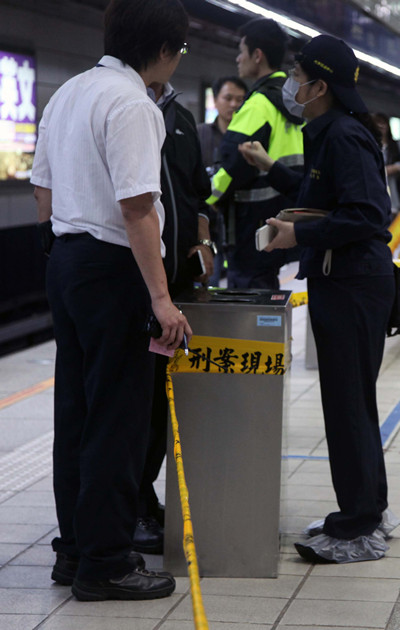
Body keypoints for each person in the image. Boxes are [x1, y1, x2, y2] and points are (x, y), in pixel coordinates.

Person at [30, 0, 191, 601]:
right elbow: (137, 208)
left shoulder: (69, 93)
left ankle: (74, 551)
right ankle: (106, 562)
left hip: (68, 262)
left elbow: (42, 189)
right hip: (112, 269)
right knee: (117, 419)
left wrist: (64, 254)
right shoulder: (133, 104)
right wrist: (161, 297)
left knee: (75, 412)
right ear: (164, 49)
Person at [238, 34, 400, 563]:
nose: (292, 85)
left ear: (321, 86)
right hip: (346, 282)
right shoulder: (329, 132)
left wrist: (299, 234)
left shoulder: (344, 136)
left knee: (347, 406)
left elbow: (368, 214)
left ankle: (358, 526)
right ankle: (369, 509)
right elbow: (325, 198)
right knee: (353, 403)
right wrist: (291, 212)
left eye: (298, 77)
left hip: (353, 286)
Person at [134, 78, 214, 555]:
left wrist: (202, 242)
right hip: (137, 285)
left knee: (160, 404)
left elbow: (199, 195)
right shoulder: (123, 106)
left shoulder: (180, 117)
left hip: (176, 285)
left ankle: (142, 496)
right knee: (135, 404)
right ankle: (129, 506)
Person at [206, 17, 304, 289]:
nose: (238, 58)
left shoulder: (258, 105)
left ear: (257, 55)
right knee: (266, 296)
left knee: (248, 301)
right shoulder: (295, 103)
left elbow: (233, 164)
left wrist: (207, 197)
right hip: (282, 220)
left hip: (250, 227)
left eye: (242, 51)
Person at [198, 76, 246, 287]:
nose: (234, 104)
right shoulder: (201, 134)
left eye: (240, 99)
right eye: (228, 98)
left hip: (240, 226)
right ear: (216, 100)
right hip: (207, 226)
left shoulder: (248, 137)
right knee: (208, 282)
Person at [372, 113, 400, 213]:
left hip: (393, 186)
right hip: (374, 187)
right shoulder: (370, 145)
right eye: (377, 123)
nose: (380, 126)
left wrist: (396, 167)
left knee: (393, 211)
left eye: (383, 123)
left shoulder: (396, 145)